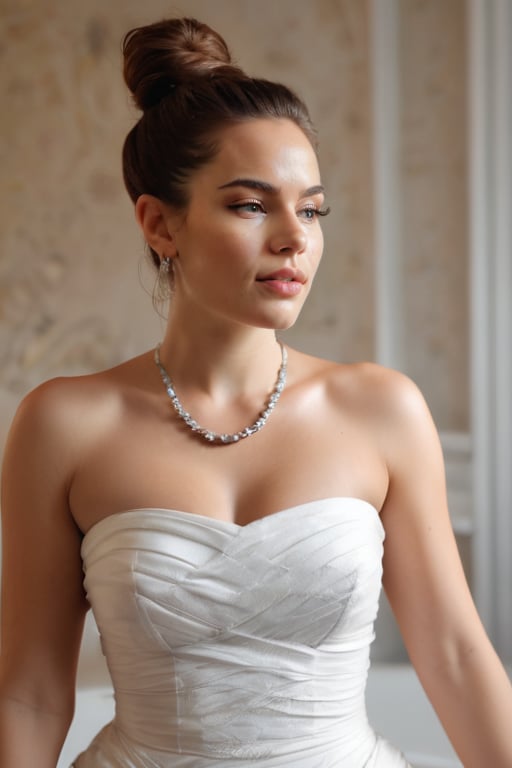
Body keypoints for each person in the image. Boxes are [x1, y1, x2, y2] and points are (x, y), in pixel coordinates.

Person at [0, 15, 511, 768]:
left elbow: (456, 657)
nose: (294, 238)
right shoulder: (65, 423)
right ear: (159, 224)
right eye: (249, 205)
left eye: (310, 209)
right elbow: (31, 689)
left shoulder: (381, 410)